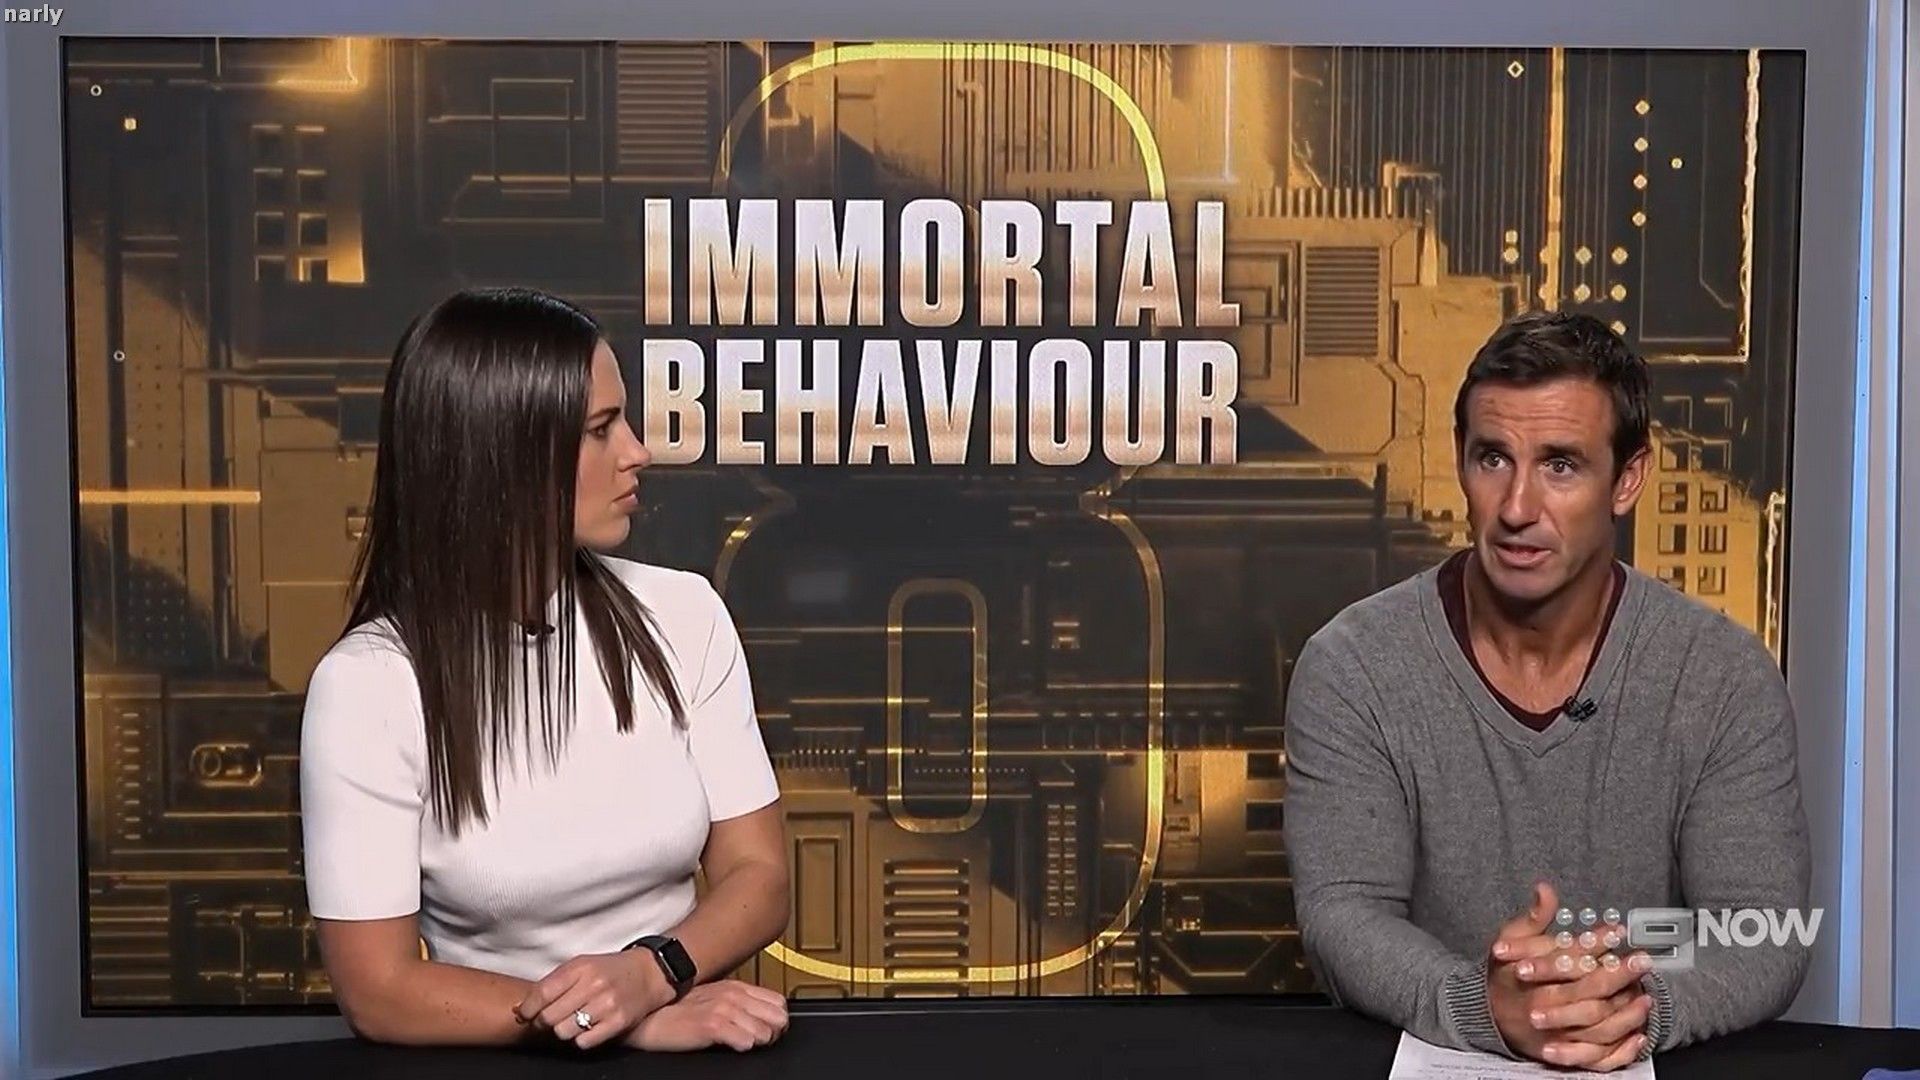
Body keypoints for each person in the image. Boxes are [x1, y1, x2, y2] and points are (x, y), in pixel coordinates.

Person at [1283, 311, 1810, 1070]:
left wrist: (1624, 1010)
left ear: (1627, 479)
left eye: (1561, 465)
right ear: (1460, 461)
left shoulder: (1721, 679)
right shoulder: (1353, 667)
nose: (1517, 508)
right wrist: (1483, 1006)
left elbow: (1762, 931)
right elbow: (1344, 914)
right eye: (1493, 458)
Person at [299, 287, 792, 1053]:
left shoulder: (685, 614)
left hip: (686, 1034)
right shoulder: (368, 685)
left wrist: (651, 974)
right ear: (503, 457)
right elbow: (379, 990)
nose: (637, 452)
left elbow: (759, 874)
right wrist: (615, 1020)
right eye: (600, 429)